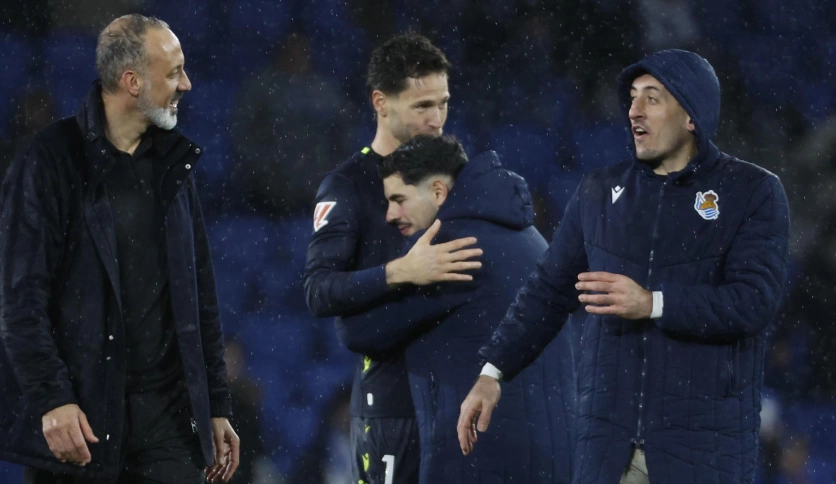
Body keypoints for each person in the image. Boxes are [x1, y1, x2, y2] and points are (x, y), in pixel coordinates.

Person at [458, 49, 791, 484]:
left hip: (705, 448)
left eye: (652, 98)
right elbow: (548, 291)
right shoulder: (599, 191)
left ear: (692, 116)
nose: (634, 110)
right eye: (632, 97)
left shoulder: (753, 192)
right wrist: (493, 371)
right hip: (607, 446)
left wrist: (653, 303)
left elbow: (753, 302)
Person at [0, 14, 240, 483]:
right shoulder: (48, 161)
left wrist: (216, 405)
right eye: (174, 72)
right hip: (80, 419)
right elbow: (20, 300)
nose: (187, 83)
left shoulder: (173, 165)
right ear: (131, 81)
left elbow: (198, 293)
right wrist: (52, 398)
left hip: (167, 422)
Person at [336, 135, 576, 483]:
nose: (390, 215)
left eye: (399, 199)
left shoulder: (447, 248)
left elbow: (358, 331)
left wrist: (398, 271)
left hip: (479, 457)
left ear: (437, 192)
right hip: (556, 456)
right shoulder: (529, 237)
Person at [303, 33, 481, 484]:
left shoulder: (461, 178)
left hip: (462, 391)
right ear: (381, 103)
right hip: (393, 399)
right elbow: (319, 291)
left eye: (443, 103)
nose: (437, 118)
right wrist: (401, 272)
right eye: (423, 106)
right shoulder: (347, 186)